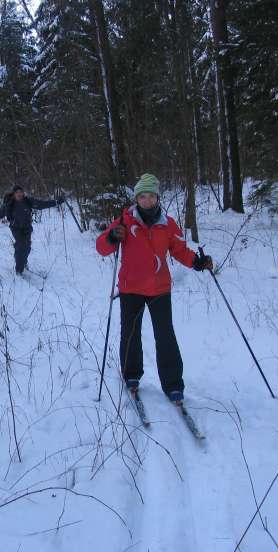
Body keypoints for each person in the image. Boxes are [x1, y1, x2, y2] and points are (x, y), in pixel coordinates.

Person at [95, 173, 213, 405]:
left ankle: (173, 385)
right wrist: (111, 237)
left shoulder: (167, 224)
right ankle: (131, 376)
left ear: (157, 197)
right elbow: (101, 247)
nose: (146, 201)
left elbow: (179, 250)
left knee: (165, 336)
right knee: (130, 334)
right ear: (137, 198)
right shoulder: (125, 220)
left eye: (150, 196)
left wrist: (197, 262)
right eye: (142, 196)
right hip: (131, 288)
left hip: (159, 288)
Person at [0, 185, 65, 275]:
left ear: (23, 193)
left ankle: (22, 260)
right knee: (21, 245)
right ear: (14, 194)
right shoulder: (9, 204)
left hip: (27, 228)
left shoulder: (28, 201)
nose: (19, 194)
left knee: (27, 247)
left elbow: (42, 204)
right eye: (17, 192)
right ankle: (19, 270)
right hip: (16, 228)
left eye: (20, 192)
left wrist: (57, 202)